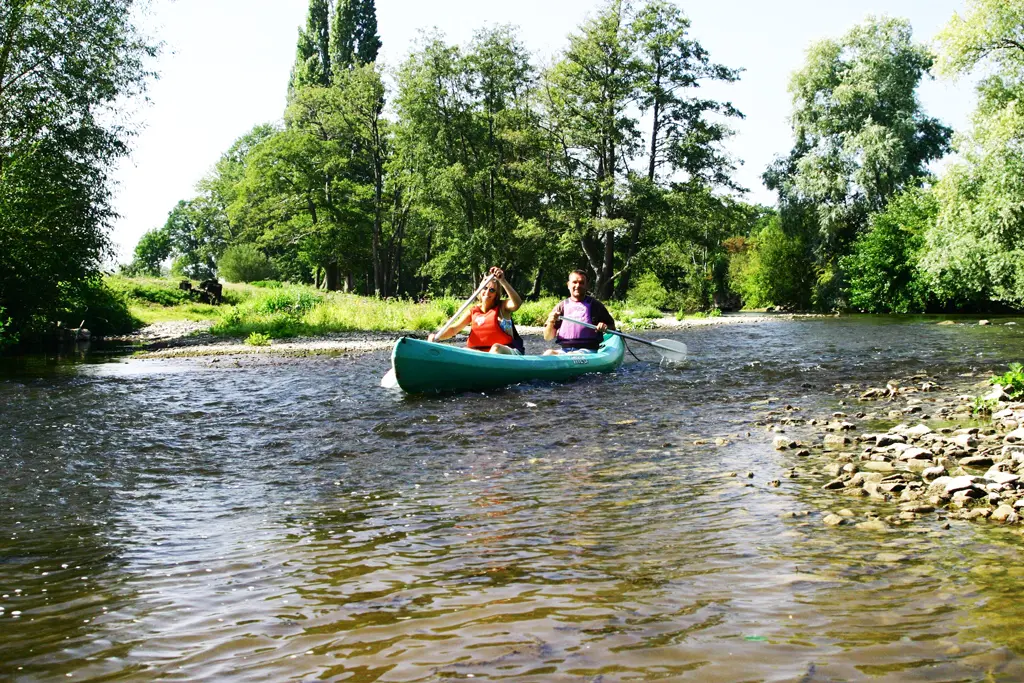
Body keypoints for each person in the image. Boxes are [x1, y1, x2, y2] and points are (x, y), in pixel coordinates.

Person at [428, 267, 524, 354]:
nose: (487, 292)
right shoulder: (473, 311)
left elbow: (517, 303)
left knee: (496, 348)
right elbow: (454, 329)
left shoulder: (503, 306)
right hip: (482, 354)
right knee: (464, 350)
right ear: (480, 290)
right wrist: (437, 337)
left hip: (508, 352)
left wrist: (502, 281)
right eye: (485, 288)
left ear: (496, 294)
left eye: (492, 290)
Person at [543, 269, 616, 354]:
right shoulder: (561, 306)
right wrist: (551, 322)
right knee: (549, 353)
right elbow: (547, 337)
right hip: (565, 350)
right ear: (568, 285)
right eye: (574, 282)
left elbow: (612, 326)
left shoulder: (596, 305)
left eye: (581, 283)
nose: (577, 286)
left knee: (572, 355)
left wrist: (604, 326)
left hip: (588, 351)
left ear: (587, 286)